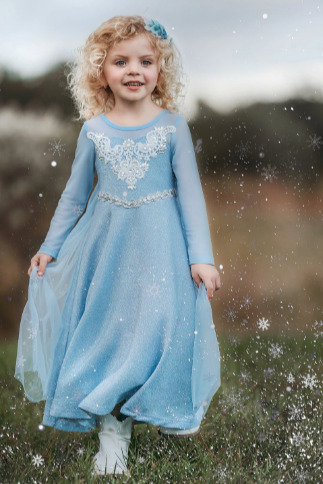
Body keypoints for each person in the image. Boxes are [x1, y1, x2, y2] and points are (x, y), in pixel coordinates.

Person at [14, 15, 222, 477]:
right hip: (106, 255)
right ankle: (113, 433)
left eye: (146, 61)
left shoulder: (173, 128)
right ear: (101, 71)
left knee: (159, 329)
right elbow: (73, 197)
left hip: (162, 252)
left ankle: (165, 405)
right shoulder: (95, 130)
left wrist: (201, 258)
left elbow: (190, 195)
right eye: (121, 61)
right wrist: (50, 246)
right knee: (109, 337)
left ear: (160, 71)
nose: (134, 71)